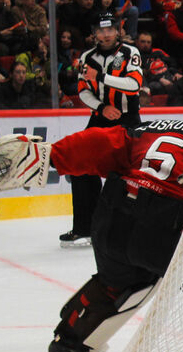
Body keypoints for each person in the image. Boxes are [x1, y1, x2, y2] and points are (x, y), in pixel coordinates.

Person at [0, 85, 183, 352]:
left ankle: (71, 336)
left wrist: (52, 156)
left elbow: (99, 144)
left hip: (111, 219)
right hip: (164, 227)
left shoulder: (152, 127)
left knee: (120, 280)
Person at [61, 12, 143, 247]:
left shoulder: (130, 52)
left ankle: (127, 227)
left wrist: (102, 77)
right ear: (94, 33)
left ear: (118, 30)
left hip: (127, 118)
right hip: (100, 116)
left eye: (110, 30)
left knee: (127, 172)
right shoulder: (86, 57)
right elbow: (83, 90)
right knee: (78, 164)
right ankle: (85, 227)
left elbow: (134, 84)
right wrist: (101, 107)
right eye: (101, 30)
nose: (105, 34)